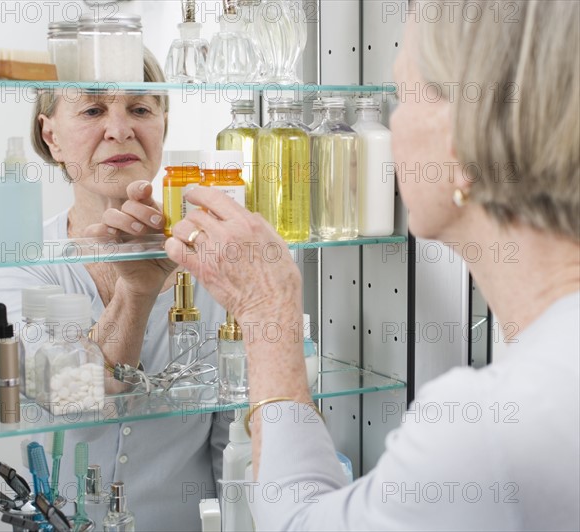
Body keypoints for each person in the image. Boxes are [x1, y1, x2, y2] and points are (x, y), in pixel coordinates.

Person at [165, 1, 579, 530]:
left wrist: (268, 308)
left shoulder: (486, 429)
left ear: (461, 141)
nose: (391, 128)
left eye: (402, 98)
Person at [0, 50, 228, 531]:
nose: (120, 129)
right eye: (94, 110)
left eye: (140, 109)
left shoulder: (215, 260)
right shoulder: (16, 263)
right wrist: (136, 292)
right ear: (50, 136)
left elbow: (236, 444)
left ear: (163, 125)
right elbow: (74, 398)